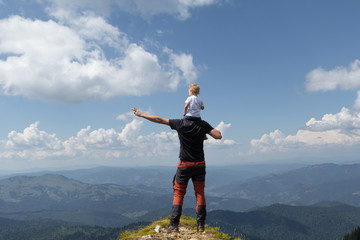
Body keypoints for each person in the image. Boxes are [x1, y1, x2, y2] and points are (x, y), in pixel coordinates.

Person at [132, 107, 222, 233]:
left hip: (184, 165)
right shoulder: (203, 124)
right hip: (200, 165)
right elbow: (218, 135)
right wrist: (206, 130)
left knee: (179, 193)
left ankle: (174, 225)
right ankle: (201, 226)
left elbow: (158, 119)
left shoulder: (180, 123)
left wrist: (141, 115)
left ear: (186, 111)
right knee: (200, 193)